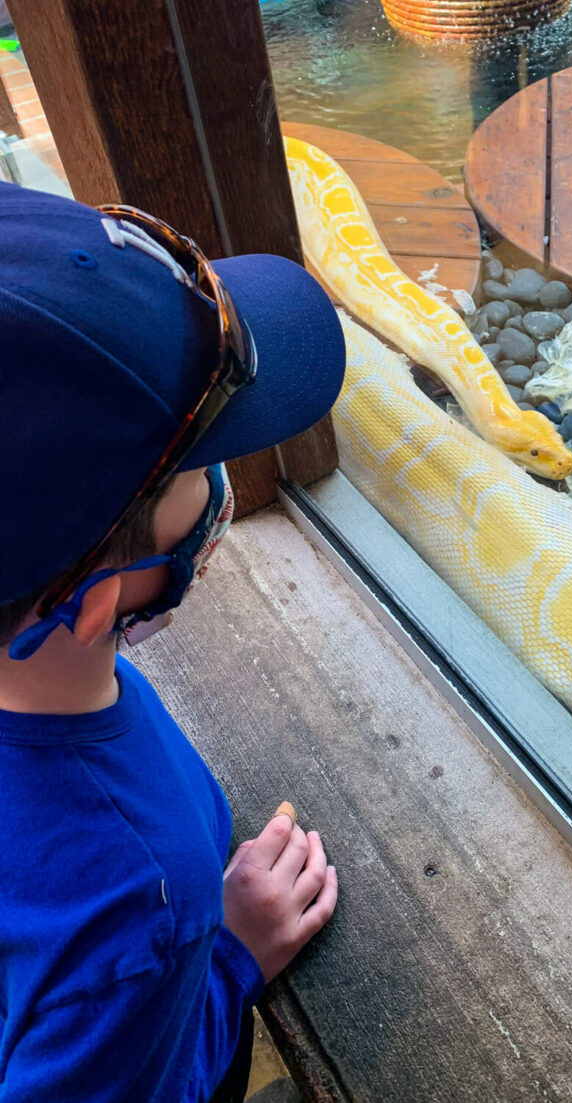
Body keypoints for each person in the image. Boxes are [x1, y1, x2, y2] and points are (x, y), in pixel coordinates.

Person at [0, 181, 346, 1101]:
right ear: (91, 597)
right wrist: (222, 960)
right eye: (198, 465)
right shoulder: (129, 904)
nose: (222, 481)